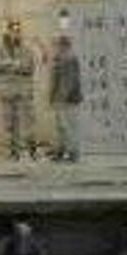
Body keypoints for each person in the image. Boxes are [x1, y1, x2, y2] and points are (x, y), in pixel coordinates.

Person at [0, 20, 37, 160]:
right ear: (8, 31)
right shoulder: (0, 50)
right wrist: (14, 65)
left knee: (27, 121)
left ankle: (31, 149)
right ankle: (14, 151)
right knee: (10, 123)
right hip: (7, 91)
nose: (15, 33)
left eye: (18, 30)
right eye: (13, 30)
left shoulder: (26, 50)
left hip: (23, 91)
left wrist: (10, 66)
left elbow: (29, 67)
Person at [48, 32, 83, 163]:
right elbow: (54, 80)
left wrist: (61, 98)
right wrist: (52, 97)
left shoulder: (70, 58)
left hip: (68, 99)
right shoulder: (59, 57)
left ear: (63, 45)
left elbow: (69, 81)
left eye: (55, 44)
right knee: (61, 127)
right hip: (59, 98)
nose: (53, 46)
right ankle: (61, 150)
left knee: (69, 126)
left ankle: (73, 153)